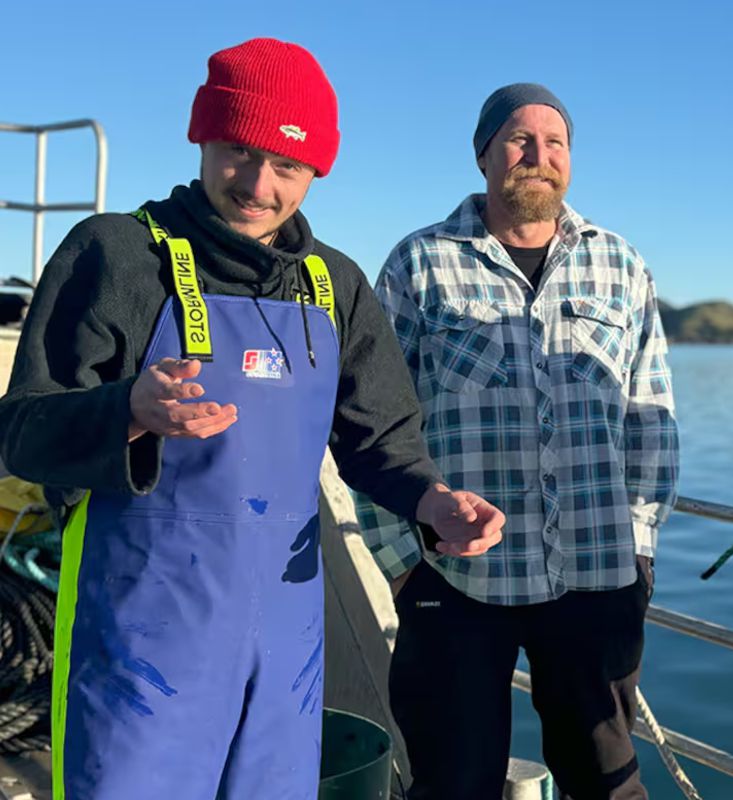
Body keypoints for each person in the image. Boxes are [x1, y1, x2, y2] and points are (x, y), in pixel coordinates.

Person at [0, 37, 504, 800]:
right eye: (240, 151)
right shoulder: (115, 254)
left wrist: (435, 504)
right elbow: (23, 432)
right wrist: (127, 411)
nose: (259, 186)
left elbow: (382, 441)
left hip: (286, 654)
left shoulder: (335, 286)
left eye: (288, 165)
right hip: (139, 642)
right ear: (203, 136)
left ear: (316, 171)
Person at [373, 82, 679, 799]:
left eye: (555, 142)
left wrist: (639, 548)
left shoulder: (620, 264)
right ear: (483, 155)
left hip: (597, 573)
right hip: (454, 577)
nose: (539, 155)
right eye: (519, 139)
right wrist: (401, 559)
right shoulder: (420, 262)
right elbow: (376, 419)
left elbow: (652, 413)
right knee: (452, 784)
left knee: (606, 783)